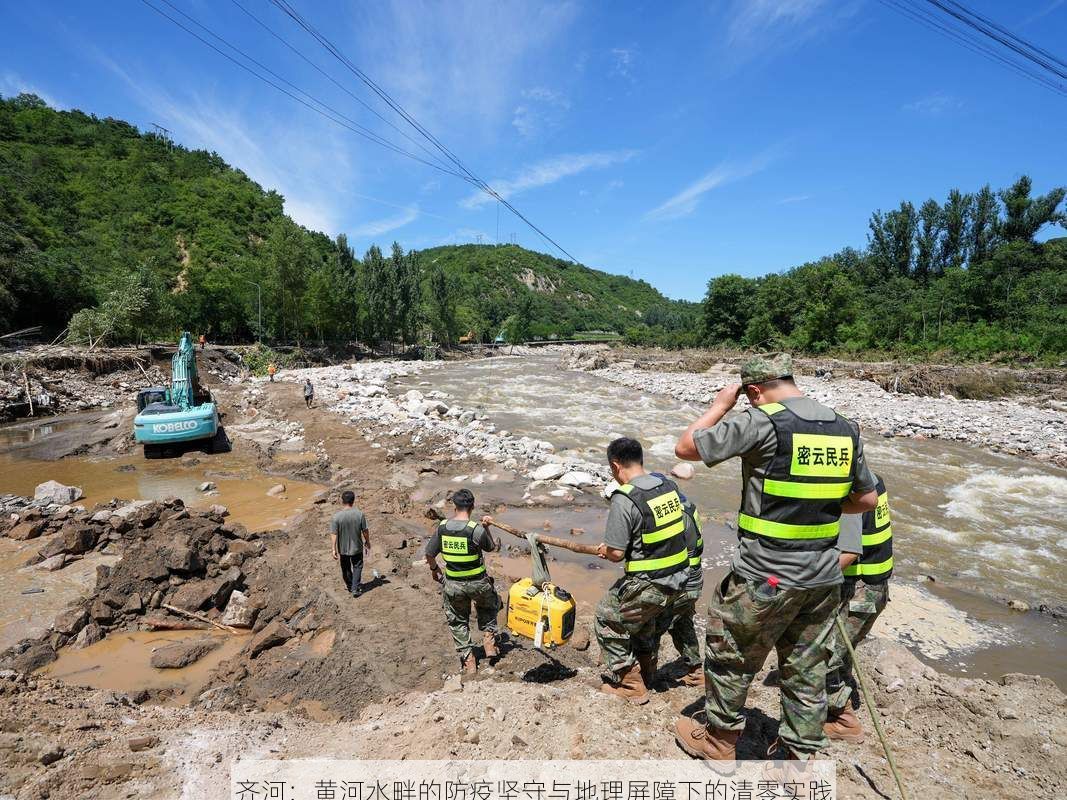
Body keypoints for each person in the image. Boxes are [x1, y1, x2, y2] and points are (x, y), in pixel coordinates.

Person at [671, 352, 878, 761]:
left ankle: (719, 740)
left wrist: (719, 405)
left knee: (730, 653)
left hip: (765, 575)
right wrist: (816, 506)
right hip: (821, 576)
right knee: (806, 665)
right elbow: (866, 499)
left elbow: (685, 448)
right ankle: (798, 759)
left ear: (753, 391)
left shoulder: (762, 420)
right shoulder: (844, 428)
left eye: (747, 398)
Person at [594, 437, 689, 705]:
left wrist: (606, 550)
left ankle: (629, 683)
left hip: (650, 583)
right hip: (679, 579)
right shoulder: (668, 486)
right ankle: (648, 673)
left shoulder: (624, 499)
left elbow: (615, 554)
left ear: (615, 466)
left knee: (605, 618)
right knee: (644, 621)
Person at [824, 472, 894, 743]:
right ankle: (839, 694)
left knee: (826, 654)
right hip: (874, 587)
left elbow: (849, 553)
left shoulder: (850, 489)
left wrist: (809, 578)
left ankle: (843, 720)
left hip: (861, 592)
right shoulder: (872, 479)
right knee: (844, 647)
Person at [425, 489, 501, 675]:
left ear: (454, 506)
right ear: (472, 506)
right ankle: (489, 642)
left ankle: (469, 660)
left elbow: (429, 553)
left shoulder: (442, 527)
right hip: (478, 583)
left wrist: (435, 570)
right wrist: (487, 527)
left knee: (457, 620)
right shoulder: (475, 529)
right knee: (490, 606)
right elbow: (491, 547)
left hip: (453, 584)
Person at [331, 490, 371, 597]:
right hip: (357, 547)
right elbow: (365, 530)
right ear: (353, 501)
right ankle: (354, 587)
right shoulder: (359, 514)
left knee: (346, 568)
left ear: (342, 501)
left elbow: (334, 534)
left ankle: (350, 586)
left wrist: (333, 549)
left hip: (343, 548)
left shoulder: (336, 517)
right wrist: (367, 541)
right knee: (357, 566)